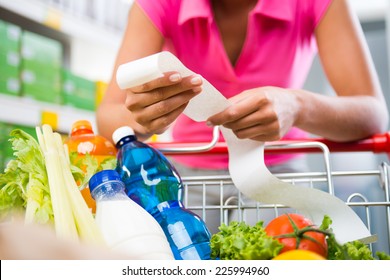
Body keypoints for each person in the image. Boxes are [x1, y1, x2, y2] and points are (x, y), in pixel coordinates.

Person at [96, 0, 389, 231]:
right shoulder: (160, 4)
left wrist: (298, 105)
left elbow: (373, 114)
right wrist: (144, 119)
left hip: (277, 169)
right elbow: (108, 115)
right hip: (187, 176)